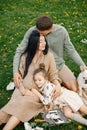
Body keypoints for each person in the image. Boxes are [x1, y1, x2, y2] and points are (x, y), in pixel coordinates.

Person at [0, 30, 61, 130]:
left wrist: (57, 85)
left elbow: (53, 74)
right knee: (11, 105)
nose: (44, 43)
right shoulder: (25, 56)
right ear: (34, 43)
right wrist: (23, 90)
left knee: (22, 105)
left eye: (44, 41)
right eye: (40, 41)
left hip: (36, 93)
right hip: (22, 89)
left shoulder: (48, 56)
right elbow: (19, 75)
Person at [13, 16, 87, 93]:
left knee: (74, 89)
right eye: (39, 33)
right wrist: (15, 72)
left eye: (43, 34)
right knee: (39, 91)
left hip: (58, 65)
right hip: (38, 68)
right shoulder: (32, 31)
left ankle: (56, 83)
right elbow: (19, 51)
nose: (41, 36)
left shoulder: (61, 31)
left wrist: (82, 64)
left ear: (51, 28)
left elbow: (71, 51)